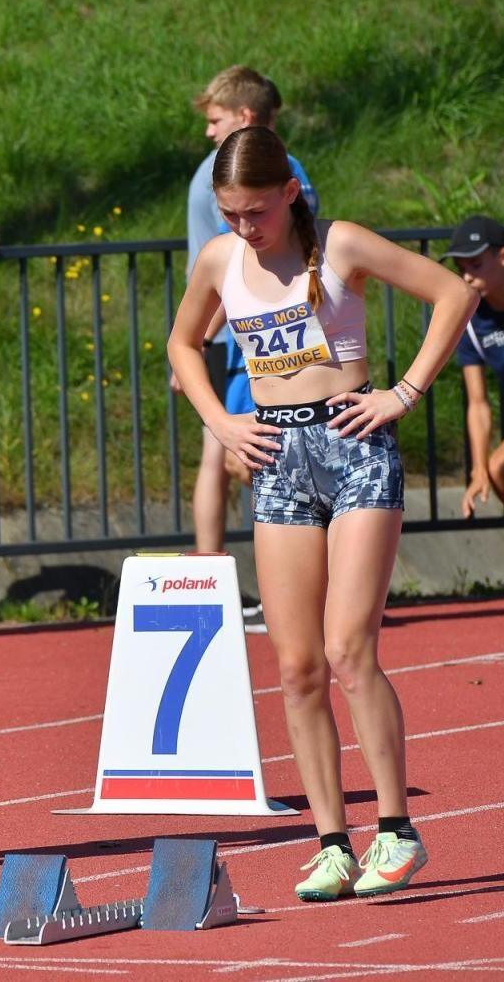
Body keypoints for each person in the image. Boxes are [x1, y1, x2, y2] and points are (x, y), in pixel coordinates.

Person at [168, 126, 476, 903]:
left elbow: (452, 292)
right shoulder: (219, 261)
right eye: (232, 213)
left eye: (256, 212)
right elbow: (180, 343)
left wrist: (402, 391)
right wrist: (220, 420)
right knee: (297, 665)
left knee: (347, 651)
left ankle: (398, 831)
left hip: (353, 444)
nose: (244, 227)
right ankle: (333, 843)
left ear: (290, 192)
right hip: (278, 460)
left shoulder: (341, 246)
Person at [181, 66, 318, 632]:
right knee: (232, 454)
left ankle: (258, 587)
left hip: (256, 333)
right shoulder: (219, 179)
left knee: (238, 457)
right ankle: (226, 586)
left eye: (215, 120)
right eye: (231, 213)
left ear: (244, 117)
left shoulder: (273, 173)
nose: (209, 132)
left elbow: (300, 255)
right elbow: (222, 270)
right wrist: (193, 347)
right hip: (229, 329)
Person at [445, 216, 504, 519]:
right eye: (461, 270)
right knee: (503, 468)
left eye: (475, 265)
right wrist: (478, 470)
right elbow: (478, 404)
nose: (467, 278)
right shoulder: (473, 326)